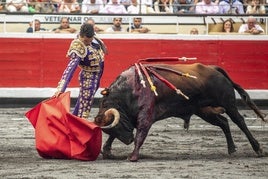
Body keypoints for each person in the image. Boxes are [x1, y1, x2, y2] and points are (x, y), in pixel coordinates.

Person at [54, 23, 107, 119]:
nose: (88, 43)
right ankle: (77, 128)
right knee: (84, 108)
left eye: (90, 40)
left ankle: (71, 124)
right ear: (82, 36)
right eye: (86, 41)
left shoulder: (93, 38)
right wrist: (61, 89)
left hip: (97, 77)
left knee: (81, 104)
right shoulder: (78, 46)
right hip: (88, 78)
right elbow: (70, 69)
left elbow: (104, 51)